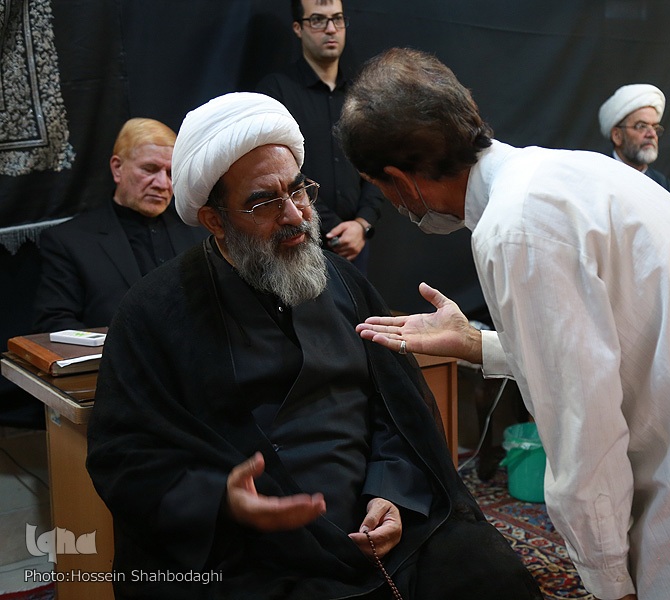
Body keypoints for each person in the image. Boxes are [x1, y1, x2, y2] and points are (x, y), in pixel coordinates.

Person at [336, 48, 670, 600]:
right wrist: (478, 344)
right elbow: (609, 343)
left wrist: (609, 581)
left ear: (399, 180)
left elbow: (583, 431)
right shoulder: (570, 171)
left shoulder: (514, 228)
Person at [85, 92, 542, 600]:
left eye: (298, 189)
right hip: (250, 551)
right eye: (264, 201)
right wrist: (222, 501)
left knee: (488, 574)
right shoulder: (153, 313)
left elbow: (396, 413)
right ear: (215, 220)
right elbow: (123, 458)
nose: (294, 214)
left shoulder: (345, 284)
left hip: (381, 525)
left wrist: (390, 491)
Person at [32, 118, 207, 332]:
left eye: (171, 173)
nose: (163, 184)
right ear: (117, 168)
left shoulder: (199, 230)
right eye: (150, 169)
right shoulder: (70, 241)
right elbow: (55, 324)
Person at [256, 0, 383, 275]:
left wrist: (362, 224)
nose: (331, 29)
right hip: (297, 240)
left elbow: (378, 165)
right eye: (318, 20)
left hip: (356, 243)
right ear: (298, 28)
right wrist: (334, 229)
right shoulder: (276, 92)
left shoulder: (362, 94)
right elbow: (275, 171)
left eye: (337, 19)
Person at [598, 83, 670, 194]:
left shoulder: (661, 183)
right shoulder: (598, 176)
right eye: (641, 126)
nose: (652, 134)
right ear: (617, 136)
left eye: (655, 127)